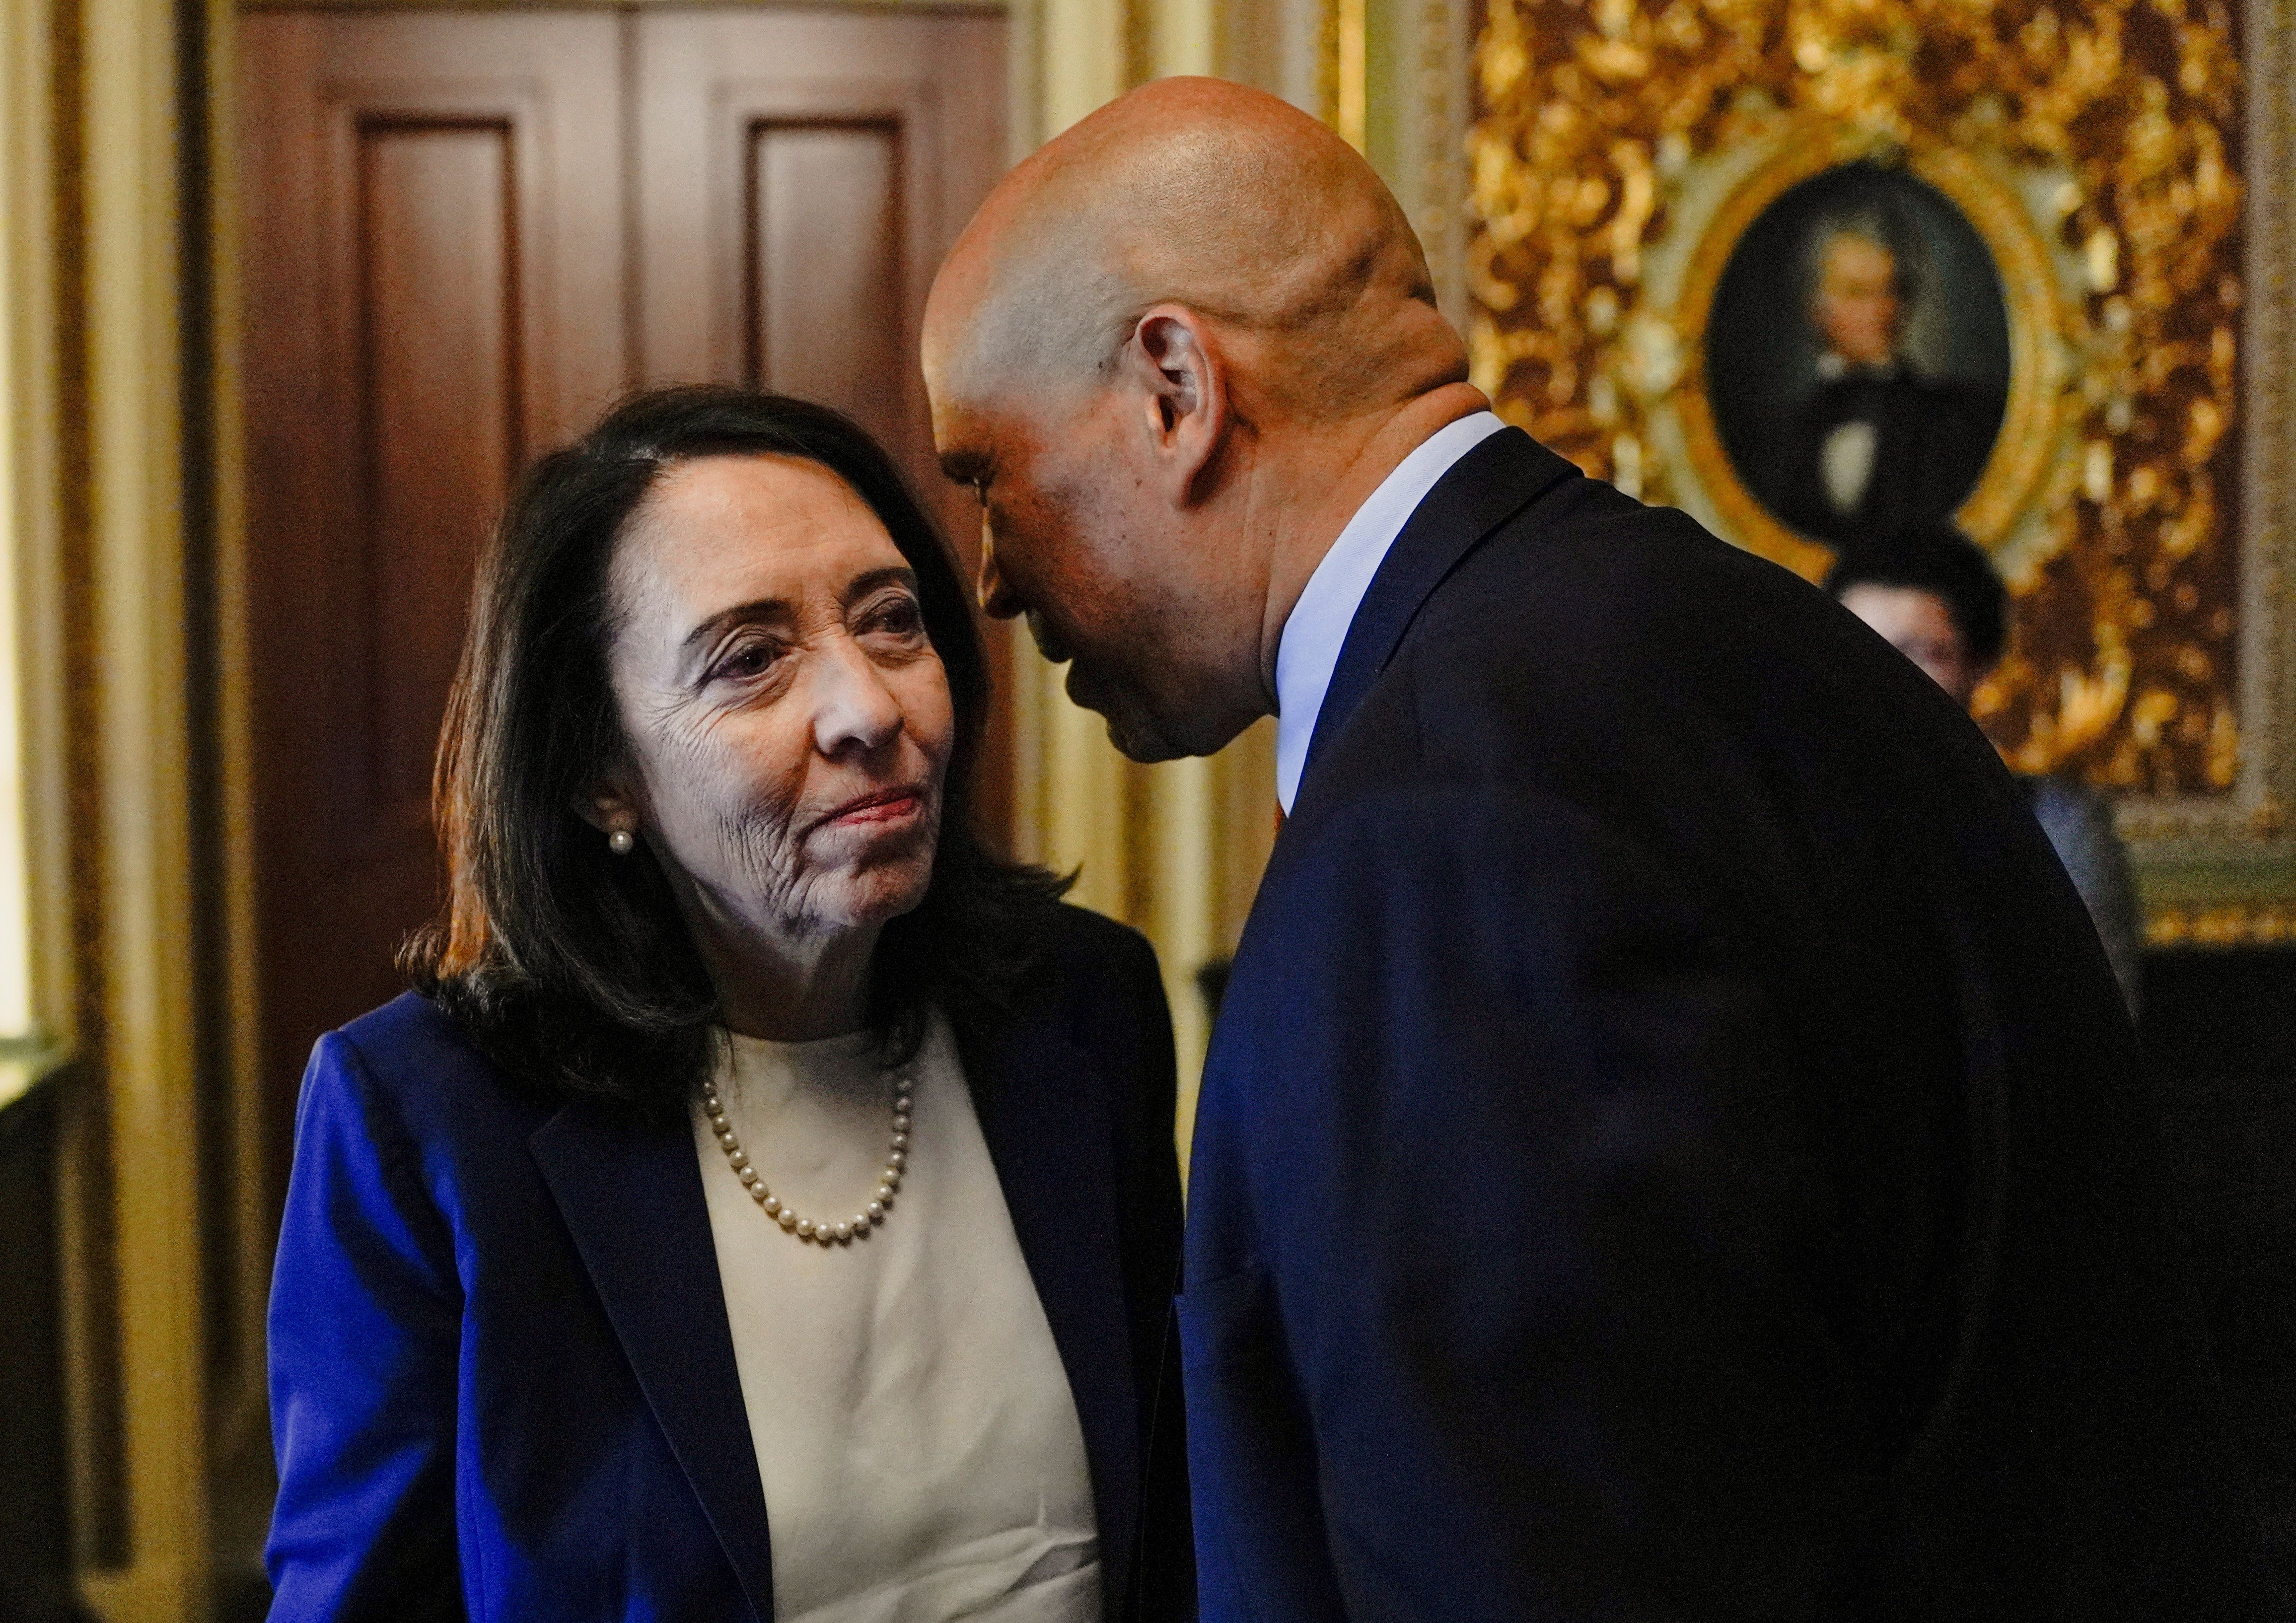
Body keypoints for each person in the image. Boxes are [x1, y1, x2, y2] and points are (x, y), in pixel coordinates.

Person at [921, 77, 2265, 1621]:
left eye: (986, 475)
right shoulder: (1712, 633)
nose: (989, 578)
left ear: (1173, 387)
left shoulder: (1444, 830)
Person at [262, 386, 1191, 1623]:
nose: (868, 709)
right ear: (602, 775)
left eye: (892, 622)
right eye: (749, 660)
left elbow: (1181, 1529)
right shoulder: (431, 1123)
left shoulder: (1081, 1009)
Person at [1825, 525, 2143, 1013]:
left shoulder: (2057, 829)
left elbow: (2095, 1036)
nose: (1884, 676)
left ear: (1980, 667)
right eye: (1860, 647)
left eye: (1923, 652)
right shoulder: (1781, 817)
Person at [1766, 214, 2003, 545]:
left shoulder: (1953, 417)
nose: (1879, 311)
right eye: (1857, 293)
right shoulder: (1787, 426)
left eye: (1889, 291)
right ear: (1818, 308)